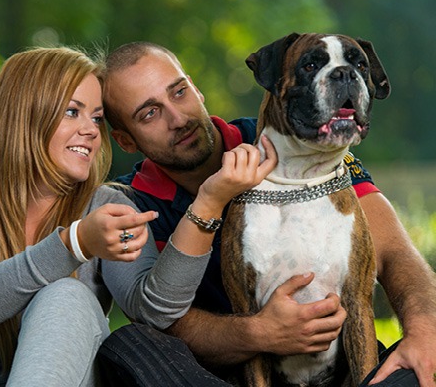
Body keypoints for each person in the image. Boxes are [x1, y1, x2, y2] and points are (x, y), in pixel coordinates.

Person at [0, 46, 275, 387]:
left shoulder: (105, 203)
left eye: (97, 117)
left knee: (67, 295)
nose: (90, 131)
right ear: (24, 115)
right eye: (73, 112)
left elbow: (155, 311)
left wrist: (206, 203)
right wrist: (73, 244)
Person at [99, 42, 436, 386]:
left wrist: (425, 333)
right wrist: (260, 333)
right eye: (149, 114)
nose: (178, 118)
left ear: (197, 90)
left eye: (179, 92)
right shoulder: (129, 204)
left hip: (344, 369)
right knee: (131, 345)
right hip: (224, 378)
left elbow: (394, 251)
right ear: (125, 140)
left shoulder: (290, 137)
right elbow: (164, 321)